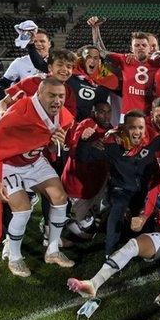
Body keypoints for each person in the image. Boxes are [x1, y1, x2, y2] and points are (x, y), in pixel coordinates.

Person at [67, 155, 160, 305]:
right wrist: (138, 222)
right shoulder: (157, 192)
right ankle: (93, 283)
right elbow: (143, 215)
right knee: (133, 244)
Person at [0, 77, 75, 277]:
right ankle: (14, 257)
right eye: (52, 95)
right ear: (39, 94)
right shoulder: (19, 113)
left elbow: (47, 146)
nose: (57, 100)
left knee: (60, 198)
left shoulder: (63, 115)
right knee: (22, 209)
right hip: (9, 165)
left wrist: (56, 143)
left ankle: (53, 251)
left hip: (34, 161)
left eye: (61, 96)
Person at [75, 109, 160, 256]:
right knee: (117, 209)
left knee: (149, 219)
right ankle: (109, 253)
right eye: (132, 127)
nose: (137, 132)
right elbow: (83, 158)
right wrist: (84, 140)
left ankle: (145, 244)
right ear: (124, 128)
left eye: (140, 127)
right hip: (121, 189)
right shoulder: (112, 143)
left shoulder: (152, 140)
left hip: (144, 190)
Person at [61, 102, 113, 240]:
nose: (106, 115)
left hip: (97, 181)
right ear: (93, 113)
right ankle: (62, 225)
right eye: (102, 111)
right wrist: (85, 142)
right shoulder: (87, 125)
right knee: (84, 229)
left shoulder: (111, 129)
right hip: (78, 183)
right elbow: (74, 151)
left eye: (109, 111)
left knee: (98, 213)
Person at [0, 49, 78, 119]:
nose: (64, 69)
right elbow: (3, 102)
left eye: (69, 66)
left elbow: (69, 120)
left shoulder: (69, 92)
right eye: (60, 65)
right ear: (50, 67)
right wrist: (1, 113)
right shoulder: (32, 82)